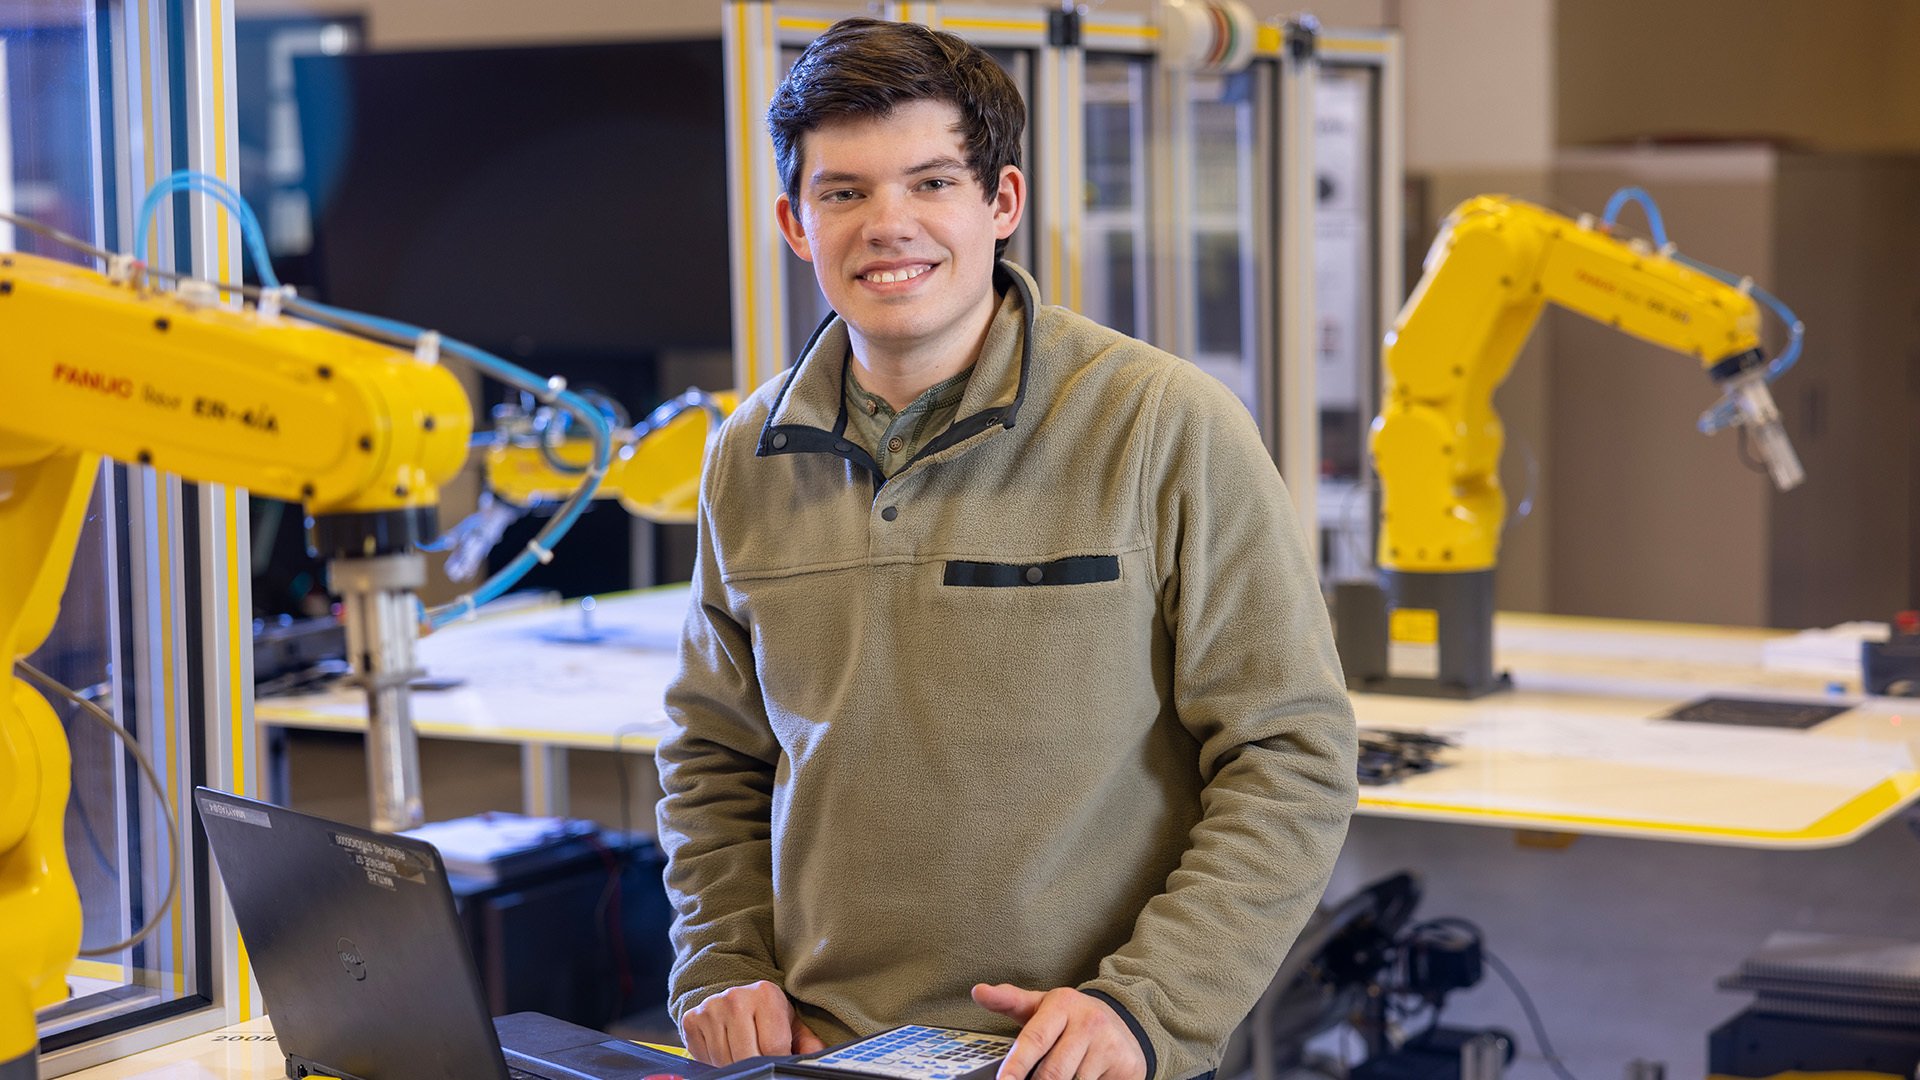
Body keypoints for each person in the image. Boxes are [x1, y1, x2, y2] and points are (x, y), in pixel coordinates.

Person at [655, 18, 1356, 1080]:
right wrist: (720, 963)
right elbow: (716, 755)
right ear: (797, 224)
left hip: (1072, 1052)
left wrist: (1146, 1008)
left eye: (931, 182)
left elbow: (1289, 753)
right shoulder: (744, 457)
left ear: (1003, 204)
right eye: (844, 192)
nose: (889, 226)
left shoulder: (1164, 422)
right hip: (821, 1049)